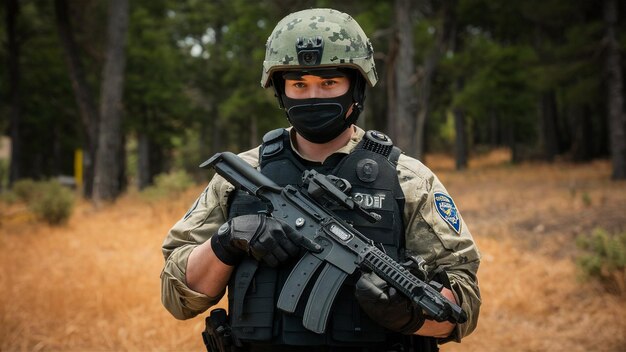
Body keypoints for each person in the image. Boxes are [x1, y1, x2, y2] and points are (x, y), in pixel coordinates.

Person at [161, 8, 481, 352]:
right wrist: (226, 241)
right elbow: (178, 296)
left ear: (356, 86)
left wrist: (410, 315)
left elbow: (463, 306)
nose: (313, 97)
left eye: (329, 82)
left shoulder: (407, 179)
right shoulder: (243, 175)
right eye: (299, 84)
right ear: (281, 92)